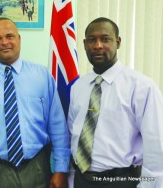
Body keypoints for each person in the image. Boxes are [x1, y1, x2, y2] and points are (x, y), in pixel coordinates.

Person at [0, 17, 70, 188]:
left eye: (9, 36)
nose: (4, 42)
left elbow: (58, 126)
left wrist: (61, 169)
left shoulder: (42, 76)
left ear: (19, 39)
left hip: (37, 168)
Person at [68, 17, 163, 188]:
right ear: (84, 44)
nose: (97, 45)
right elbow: (73, 135)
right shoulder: (79, 86)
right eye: (92, 40)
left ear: (118, 42)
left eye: (105, 39)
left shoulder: (141, 86)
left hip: (121, 180)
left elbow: (156, 145)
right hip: (81, 180)